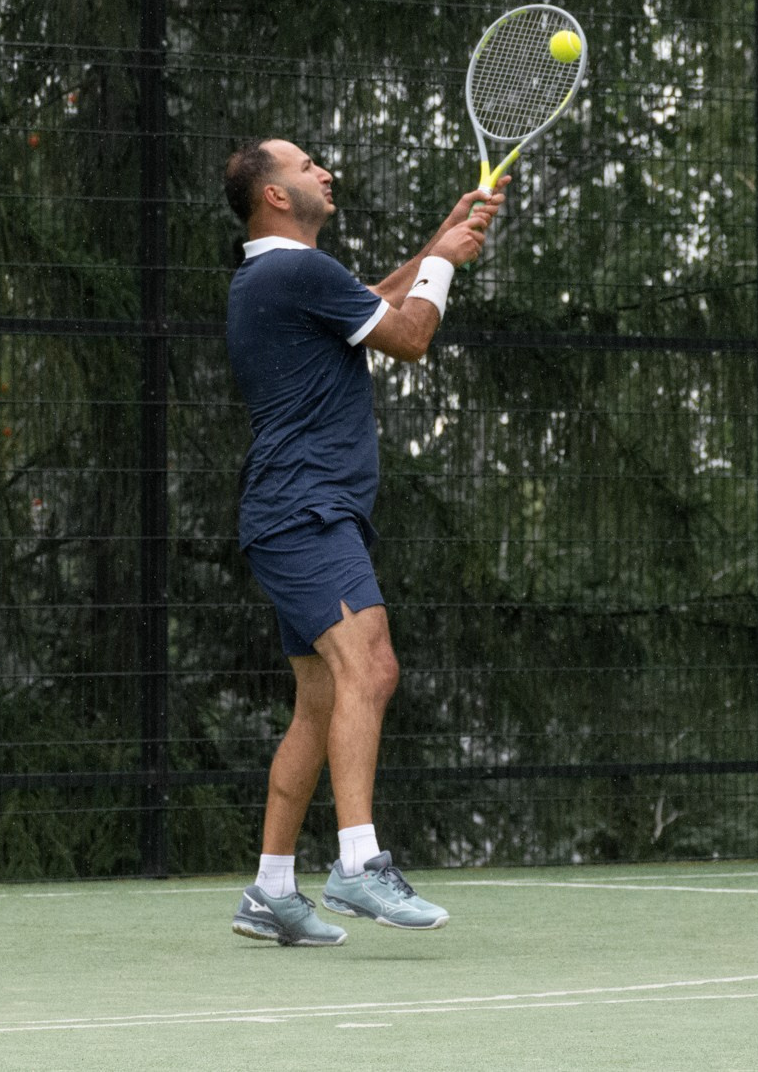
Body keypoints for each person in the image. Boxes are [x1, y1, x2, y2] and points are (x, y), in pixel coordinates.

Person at [222, 137, 501, 947]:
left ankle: (271, 888)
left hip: (288, 511)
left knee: (319, 701)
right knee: (372, 667)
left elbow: (372, 302)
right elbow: (409, 333)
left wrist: (439, 239)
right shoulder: (296, 271)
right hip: (307, 510)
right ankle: (357, 862)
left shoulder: (276, 276)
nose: (323, 171)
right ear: (274, 195)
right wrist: (443, 268)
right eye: (305, 165)